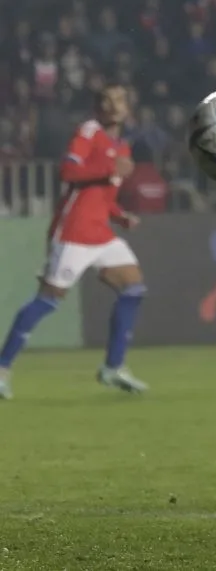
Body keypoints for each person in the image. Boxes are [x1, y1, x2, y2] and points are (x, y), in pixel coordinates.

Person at [0, 83, 148, 400]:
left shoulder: (122, 147)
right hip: (74, 231)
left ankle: (113, 367)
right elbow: (68, 171)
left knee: (133, 288)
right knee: (48, 300)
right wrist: (108, 168)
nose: (114, 105)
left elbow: (103, 196)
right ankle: (2, 368)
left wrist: (120, 216)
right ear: (99, 107)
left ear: (128, 108)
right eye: (108, 100)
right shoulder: (88, 131)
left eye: (120, 100)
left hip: (101, 233)